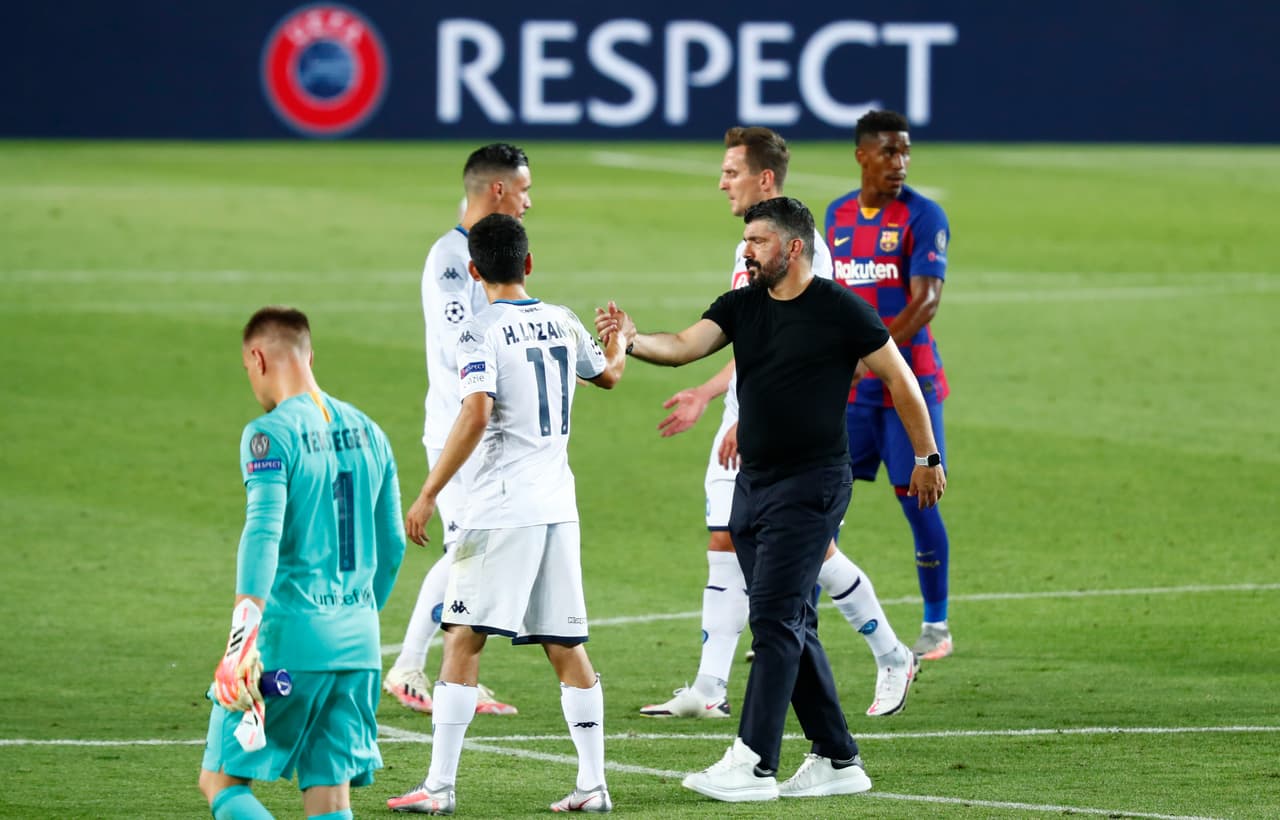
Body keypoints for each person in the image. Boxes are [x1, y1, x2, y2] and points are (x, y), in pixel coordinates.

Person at [596, 197, 945, 802]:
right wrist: (630, 338)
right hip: (753, 483)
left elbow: (900, 379)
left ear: (794, 248)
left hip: (813, 484)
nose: (747, 251)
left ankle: (755, 761)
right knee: (790, 619)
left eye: (757, 241)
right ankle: (838, 759)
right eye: (746, 242)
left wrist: (926, 457)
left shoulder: (841, 311)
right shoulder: (742, 306)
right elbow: (681, 344)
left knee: (775, 621)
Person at [640, 126, 918, 722]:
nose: (722, 182)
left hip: (793, 438)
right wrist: (713, 392)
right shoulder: (753, 245)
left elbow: (815, 344)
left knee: (810, 561)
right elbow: (754, 335)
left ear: (765, 179)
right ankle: (710, 685)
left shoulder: (806, 254)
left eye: (732, 172)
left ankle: (890, 655)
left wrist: (757, 408)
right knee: (728, 541)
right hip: (748, 421)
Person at [387, 214, 628, 815]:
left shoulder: (478, 330)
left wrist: (428, 491)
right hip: (558, 508)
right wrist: (620, 335)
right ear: (529, 263)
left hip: (498, 508)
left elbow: (474, 411)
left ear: (473, 270)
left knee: (462, 639)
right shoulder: (565, 319)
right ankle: (594, 785)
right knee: (564, 644)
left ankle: (439, 789)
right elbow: (612, 374)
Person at [199, 307, 406, 820]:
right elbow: (395, 544)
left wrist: (240, 640)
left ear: (257, 357)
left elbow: (263, 532)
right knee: (330, 799)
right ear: (310, 355)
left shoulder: (269, 435)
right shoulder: (371, 431)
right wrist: (354, 616)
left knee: (222, 782)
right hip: (358, 647)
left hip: (288, 645)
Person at [383, 143, 533, 717]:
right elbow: (456, 346)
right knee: (469, 548)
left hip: (486, 428)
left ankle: (444, 675)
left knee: (472, 550)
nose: (528, 202)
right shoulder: (451, 258)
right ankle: (410, 667)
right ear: (497, 189)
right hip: (460, 428)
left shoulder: (487, 252)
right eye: (523, 190)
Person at [825, 110, 954, 660]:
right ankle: (794, 617)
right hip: (851, 391)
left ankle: (936, 626)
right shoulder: (835, 216)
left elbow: (925, 302)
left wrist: (869, 354)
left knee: (920, 500)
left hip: (907, 387)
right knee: (821, 503)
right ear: (862, 155)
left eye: (905, 152)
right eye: (888, 152)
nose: (899, 163)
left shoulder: (923, 216)